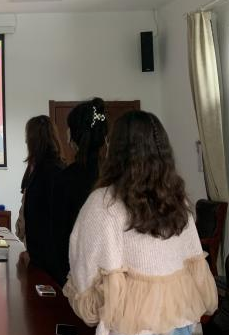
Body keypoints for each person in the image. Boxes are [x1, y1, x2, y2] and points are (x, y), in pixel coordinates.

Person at [64, 111, 217, 335]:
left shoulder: (103, 203)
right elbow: (194, 261)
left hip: (132, 327)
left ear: (115, 150)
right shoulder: (176, 199)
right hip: (181, 321)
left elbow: (84, 271)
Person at [47, 97, 108, 285]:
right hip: (114, 278)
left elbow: (58, 239)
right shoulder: (116, 176)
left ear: (74, 136)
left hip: (77, 278)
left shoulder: (66, 179)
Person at [17, 116, 65, 269]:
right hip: (40, 255)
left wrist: (33, 255)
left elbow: (43, 220)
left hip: (45, 260)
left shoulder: (48, 172)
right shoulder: (43, 168)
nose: (26, 141)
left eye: (27, 137)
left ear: (34, 140)